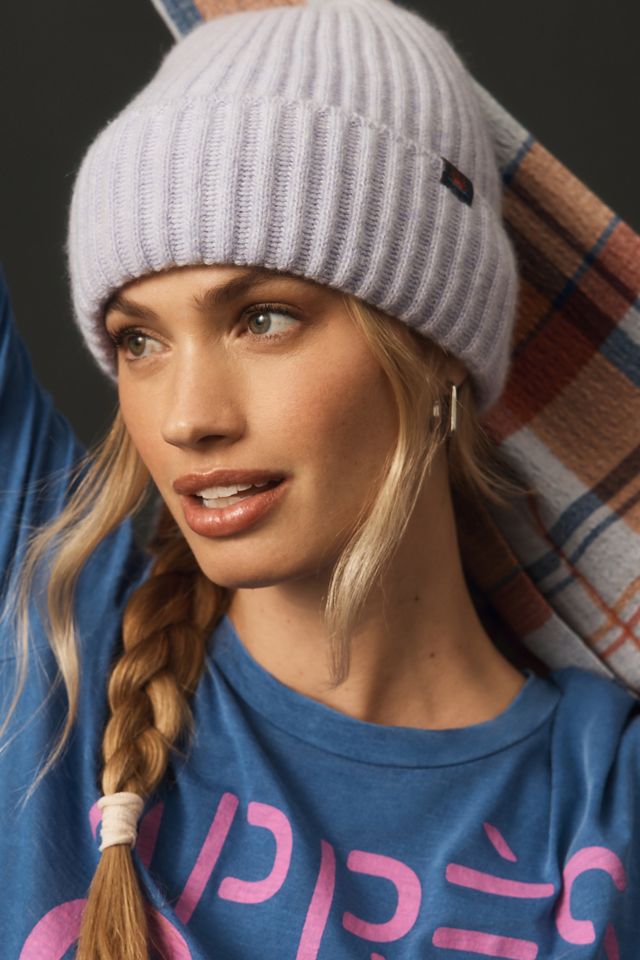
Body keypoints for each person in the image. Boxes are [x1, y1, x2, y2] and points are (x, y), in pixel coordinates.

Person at [1, 1, 638, 958]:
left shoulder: (607, 807)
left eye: (262, 318)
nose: (187, 418)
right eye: (140, 340)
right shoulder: (47, 640)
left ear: (435, 348)